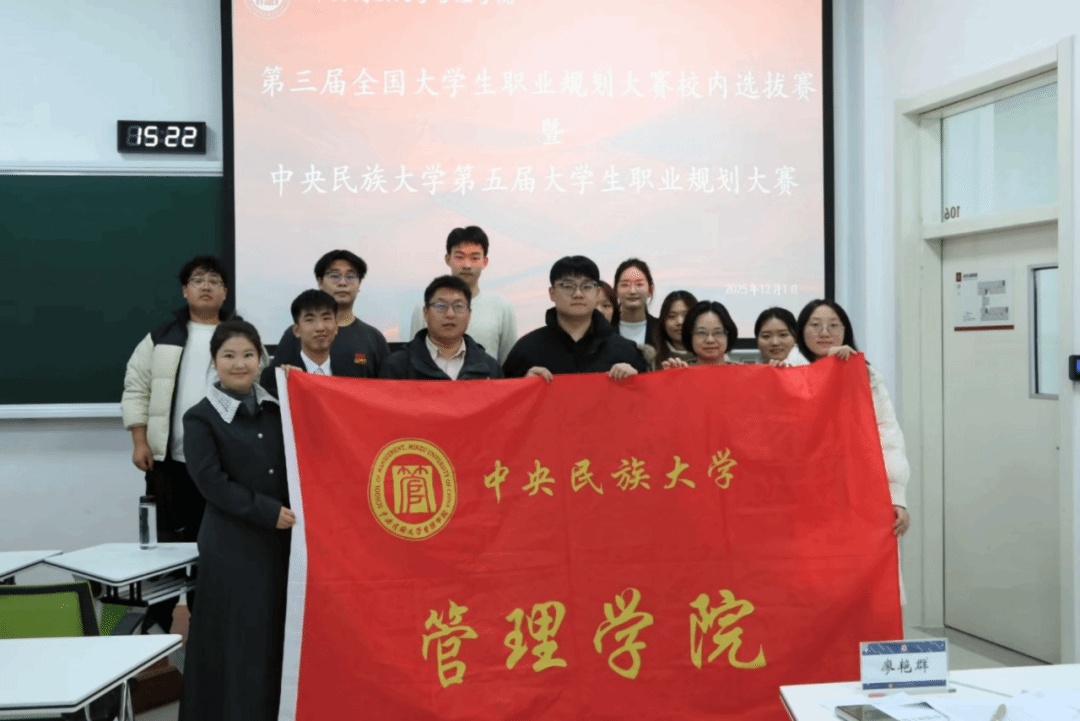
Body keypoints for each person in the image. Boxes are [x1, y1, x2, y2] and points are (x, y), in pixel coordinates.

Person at [179, 319, 294, 721]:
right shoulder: (200, 418)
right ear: (214, 361)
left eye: (248, 354)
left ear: (261, 359)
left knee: (274, 636)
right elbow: (211, 483)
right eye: (229, 355)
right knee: (239, 640)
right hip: (232, 545)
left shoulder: (281, 409)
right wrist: (266, 511)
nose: (240, 364)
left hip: (281, 543)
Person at [121, 255, 230, 632]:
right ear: (185, 290)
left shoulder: (239, 335)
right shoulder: (161, 336)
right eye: (198, 280)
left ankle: (208, 633)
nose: (206, 286)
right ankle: (156, 632)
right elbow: (136, 387)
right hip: (168, 464)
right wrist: (139, 440)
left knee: (213, 551)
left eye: (214, 280)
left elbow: (258, 388)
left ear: (224, 292)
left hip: (221, 467)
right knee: (163, 550)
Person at [794, 299, 911, 537]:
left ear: (845, 331)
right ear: (801, 331)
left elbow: (888, 436)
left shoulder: (867, 376)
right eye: (815, 325)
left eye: (834, 325)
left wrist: (897, 496)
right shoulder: (789, 374)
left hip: (859, 489)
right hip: (804, 496)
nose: (824, 332)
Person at [503, 256, 647, 381]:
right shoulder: (526, 350)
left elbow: (646, 400)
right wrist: (523, 384)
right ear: (552, 293)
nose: (578, 294)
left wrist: (634, 381)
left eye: (587, 286)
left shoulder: (625, 351)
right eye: (568, 286)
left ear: (597, 293)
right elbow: (503, 399)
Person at [270, 249, 390, 378]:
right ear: (320, 281)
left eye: (350, 277)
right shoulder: (297, 334)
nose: (342, 283)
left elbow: (387, 386)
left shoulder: (374, 338)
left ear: (359, 283)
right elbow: (277, 381)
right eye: (335, 276)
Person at [409, 226, 517, 364]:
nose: (467, 265)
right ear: (448, 259)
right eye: (460, 257)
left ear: (485, 262)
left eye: (474, 258)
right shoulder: (425, 307)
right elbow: (413, 361)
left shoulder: (502, 307)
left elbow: (509, 366)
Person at [384, 276, 503, 380]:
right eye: (441, 306)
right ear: (426, 312)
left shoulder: (489, 367)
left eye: (458, 306)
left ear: (469, 315)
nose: (450, 314)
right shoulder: (397, 365)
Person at [261, 289, 339, 397]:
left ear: (336, 327)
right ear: (296, 330)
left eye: (326, 318)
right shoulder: (276, 376)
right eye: (310, 320)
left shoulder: (351, 373)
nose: (320, 327)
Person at [661, 300, 738, 369]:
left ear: (729, 335)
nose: (710, 340)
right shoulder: (678, 370)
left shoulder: (742, 373)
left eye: (718, 332)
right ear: (689, 336)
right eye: (701, 332)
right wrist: (669, 376)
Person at [611, 258, 659, 349]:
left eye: (639, 284)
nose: (632, 291)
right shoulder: (605, 329)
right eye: (625, 285)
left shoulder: (662, 329)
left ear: (650, 290)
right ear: (616, 291)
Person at [653, 290, 698, 367]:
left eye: (686, 315)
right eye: (672, 316)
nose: (680, 322)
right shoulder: (651, 359)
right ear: (663, 322)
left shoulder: (712, 356)